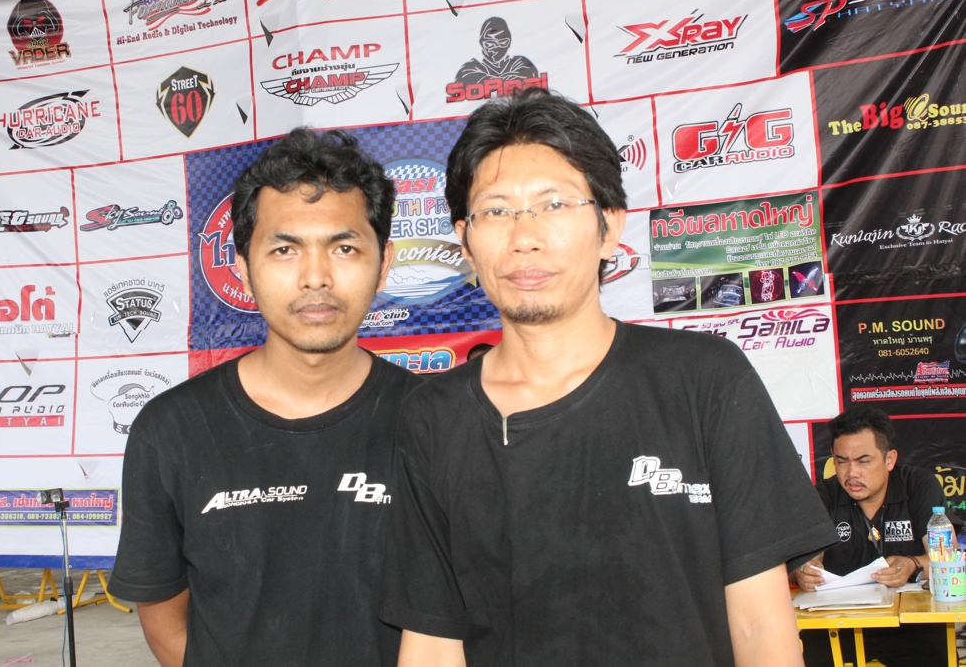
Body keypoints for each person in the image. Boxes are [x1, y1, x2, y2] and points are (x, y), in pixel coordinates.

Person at [378, 89, 838, 667]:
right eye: (495, 211)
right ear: (465, 241)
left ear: (609, 226)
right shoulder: (433, 416)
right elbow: (432, 641)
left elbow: (760, 626)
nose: (525, 237)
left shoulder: (704, 380)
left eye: (554, 204)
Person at [107, 129, 422, 667]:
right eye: (284, 250)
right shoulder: (171, 429)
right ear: (243, 268)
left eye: (344, 248)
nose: (315, 277)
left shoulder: (437, 420)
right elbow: (163, 615)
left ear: (384, 262)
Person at [795, 406, 947, 667]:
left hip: (911, 627)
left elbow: (946, 558)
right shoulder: (824, 496)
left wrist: (913, 564)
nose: (851, 473)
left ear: (890, 460)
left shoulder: (920, 485)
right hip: (838, 623)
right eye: (842, 461)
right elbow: (802, 560)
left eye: (863, 461)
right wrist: (803, 570)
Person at [454, 17, 539, 86]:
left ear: (509, 42)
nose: (496, 48)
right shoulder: (469, 68)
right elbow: (466, 80)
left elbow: (529, 76)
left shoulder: (521, 63)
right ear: (482, 44)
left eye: (502, 42)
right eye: (490, 44)